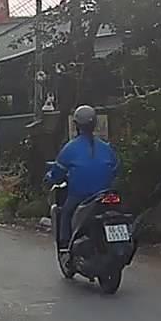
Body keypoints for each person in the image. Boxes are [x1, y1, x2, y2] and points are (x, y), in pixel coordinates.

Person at [45, 105, 119, 252]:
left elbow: (57, 173)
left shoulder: (70, 148)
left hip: (80, 196)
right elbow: (116, 170)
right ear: (95, 123)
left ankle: (65, 246)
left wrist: (49, 178)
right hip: (105, 195)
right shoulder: (107, 148)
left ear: (76, 125)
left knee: (66, 213)